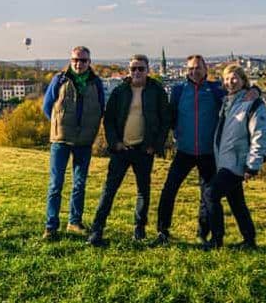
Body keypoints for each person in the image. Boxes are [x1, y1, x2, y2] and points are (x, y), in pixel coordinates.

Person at [87, 54, 169, 247]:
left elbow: (165, 120)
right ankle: (96, 230)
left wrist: (155, 145)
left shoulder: (157, 91)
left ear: (148, 70)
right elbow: (108, 119)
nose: (137, 72)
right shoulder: (120, 90)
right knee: (109, 191)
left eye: (141, 68)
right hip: (121, 149)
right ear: (129, 70)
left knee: (143, 191)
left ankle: (139, 229)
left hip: (144, 149)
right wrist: (114, 143)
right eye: (134, 69)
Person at [154, 54, 224, 246]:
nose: (194, 71)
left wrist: (256, 91)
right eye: (191, 68)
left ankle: (203, 233)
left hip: (208, 152)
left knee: (207, 195)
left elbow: (241, 91)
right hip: (184, 150)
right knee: (169, 189)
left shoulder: (216, 89)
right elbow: (171, 115)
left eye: (197, 68)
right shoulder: (178, 90)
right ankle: (162, 230)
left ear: (205, 69)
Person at [42, 46, 105, 239]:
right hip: (61, 140)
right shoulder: (59, 80)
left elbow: (101, 107)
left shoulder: (96, 83)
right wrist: (58, 125)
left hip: (84, 141)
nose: (79, 63)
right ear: (70, 60)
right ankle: (51, 226)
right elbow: (47, 107)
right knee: (55, 184)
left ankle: (74, 222)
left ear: (89, 62)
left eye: (83, 60)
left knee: (79, 184)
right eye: (75, 60)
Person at [205, 65, 266, 250]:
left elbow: (260, 135)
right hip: (225, 161)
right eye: (226, 79)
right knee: (236, 202)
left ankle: (216, 240)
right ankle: (249, 240)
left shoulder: (252, 104)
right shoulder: (227, 102)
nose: (230, 82)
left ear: (243, 80)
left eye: (234, 78)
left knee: (210, 193)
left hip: (237, 162)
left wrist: (252, 166)